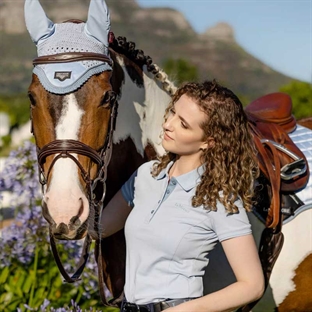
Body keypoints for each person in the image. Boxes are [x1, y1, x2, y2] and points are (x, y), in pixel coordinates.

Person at [91, 80, 264, 312]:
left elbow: (252, 285)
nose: (168, 124)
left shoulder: (219, 198)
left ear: (208, 142)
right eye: (172, 111)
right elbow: (98, 228)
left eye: (183, 124)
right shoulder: (146, 175)